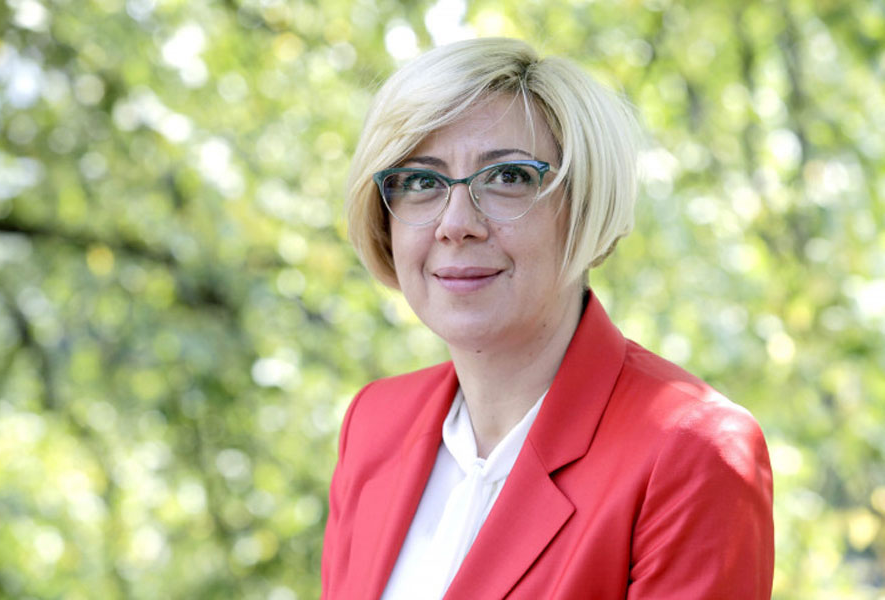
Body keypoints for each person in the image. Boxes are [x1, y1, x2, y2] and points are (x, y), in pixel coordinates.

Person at [322, 37, 774, 599]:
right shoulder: (375, 423)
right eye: (420, 182)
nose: (456, 224)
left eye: (508, 177)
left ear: (584, 206)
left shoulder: (691, 451)